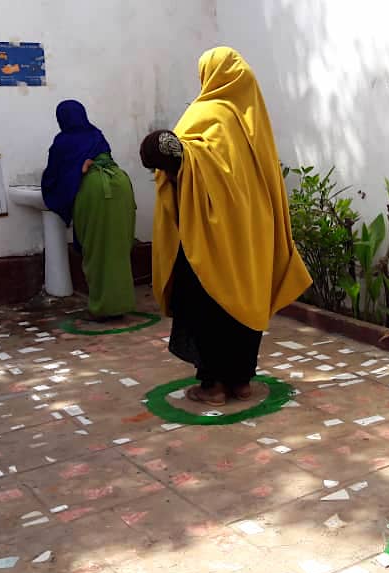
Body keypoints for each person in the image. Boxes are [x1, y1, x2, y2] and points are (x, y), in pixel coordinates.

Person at [139, 47, 311, 407]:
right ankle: (242, 380)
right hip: (252, 234)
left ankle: (214, 385)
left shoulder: (203, 112)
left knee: (206, 303)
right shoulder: (253, 121)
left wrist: (175, 157)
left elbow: (184, 161)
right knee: (245, 297)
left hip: (209, 237)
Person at [41, 100, 136, 322]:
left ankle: (101, 308)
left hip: (94, 190)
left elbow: (56, 178)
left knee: (95, 248)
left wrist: (54, 189)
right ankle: (120, 304)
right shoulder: (96, 134)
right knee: (117, 248)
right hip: (121, 184)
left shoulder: (63, 142)